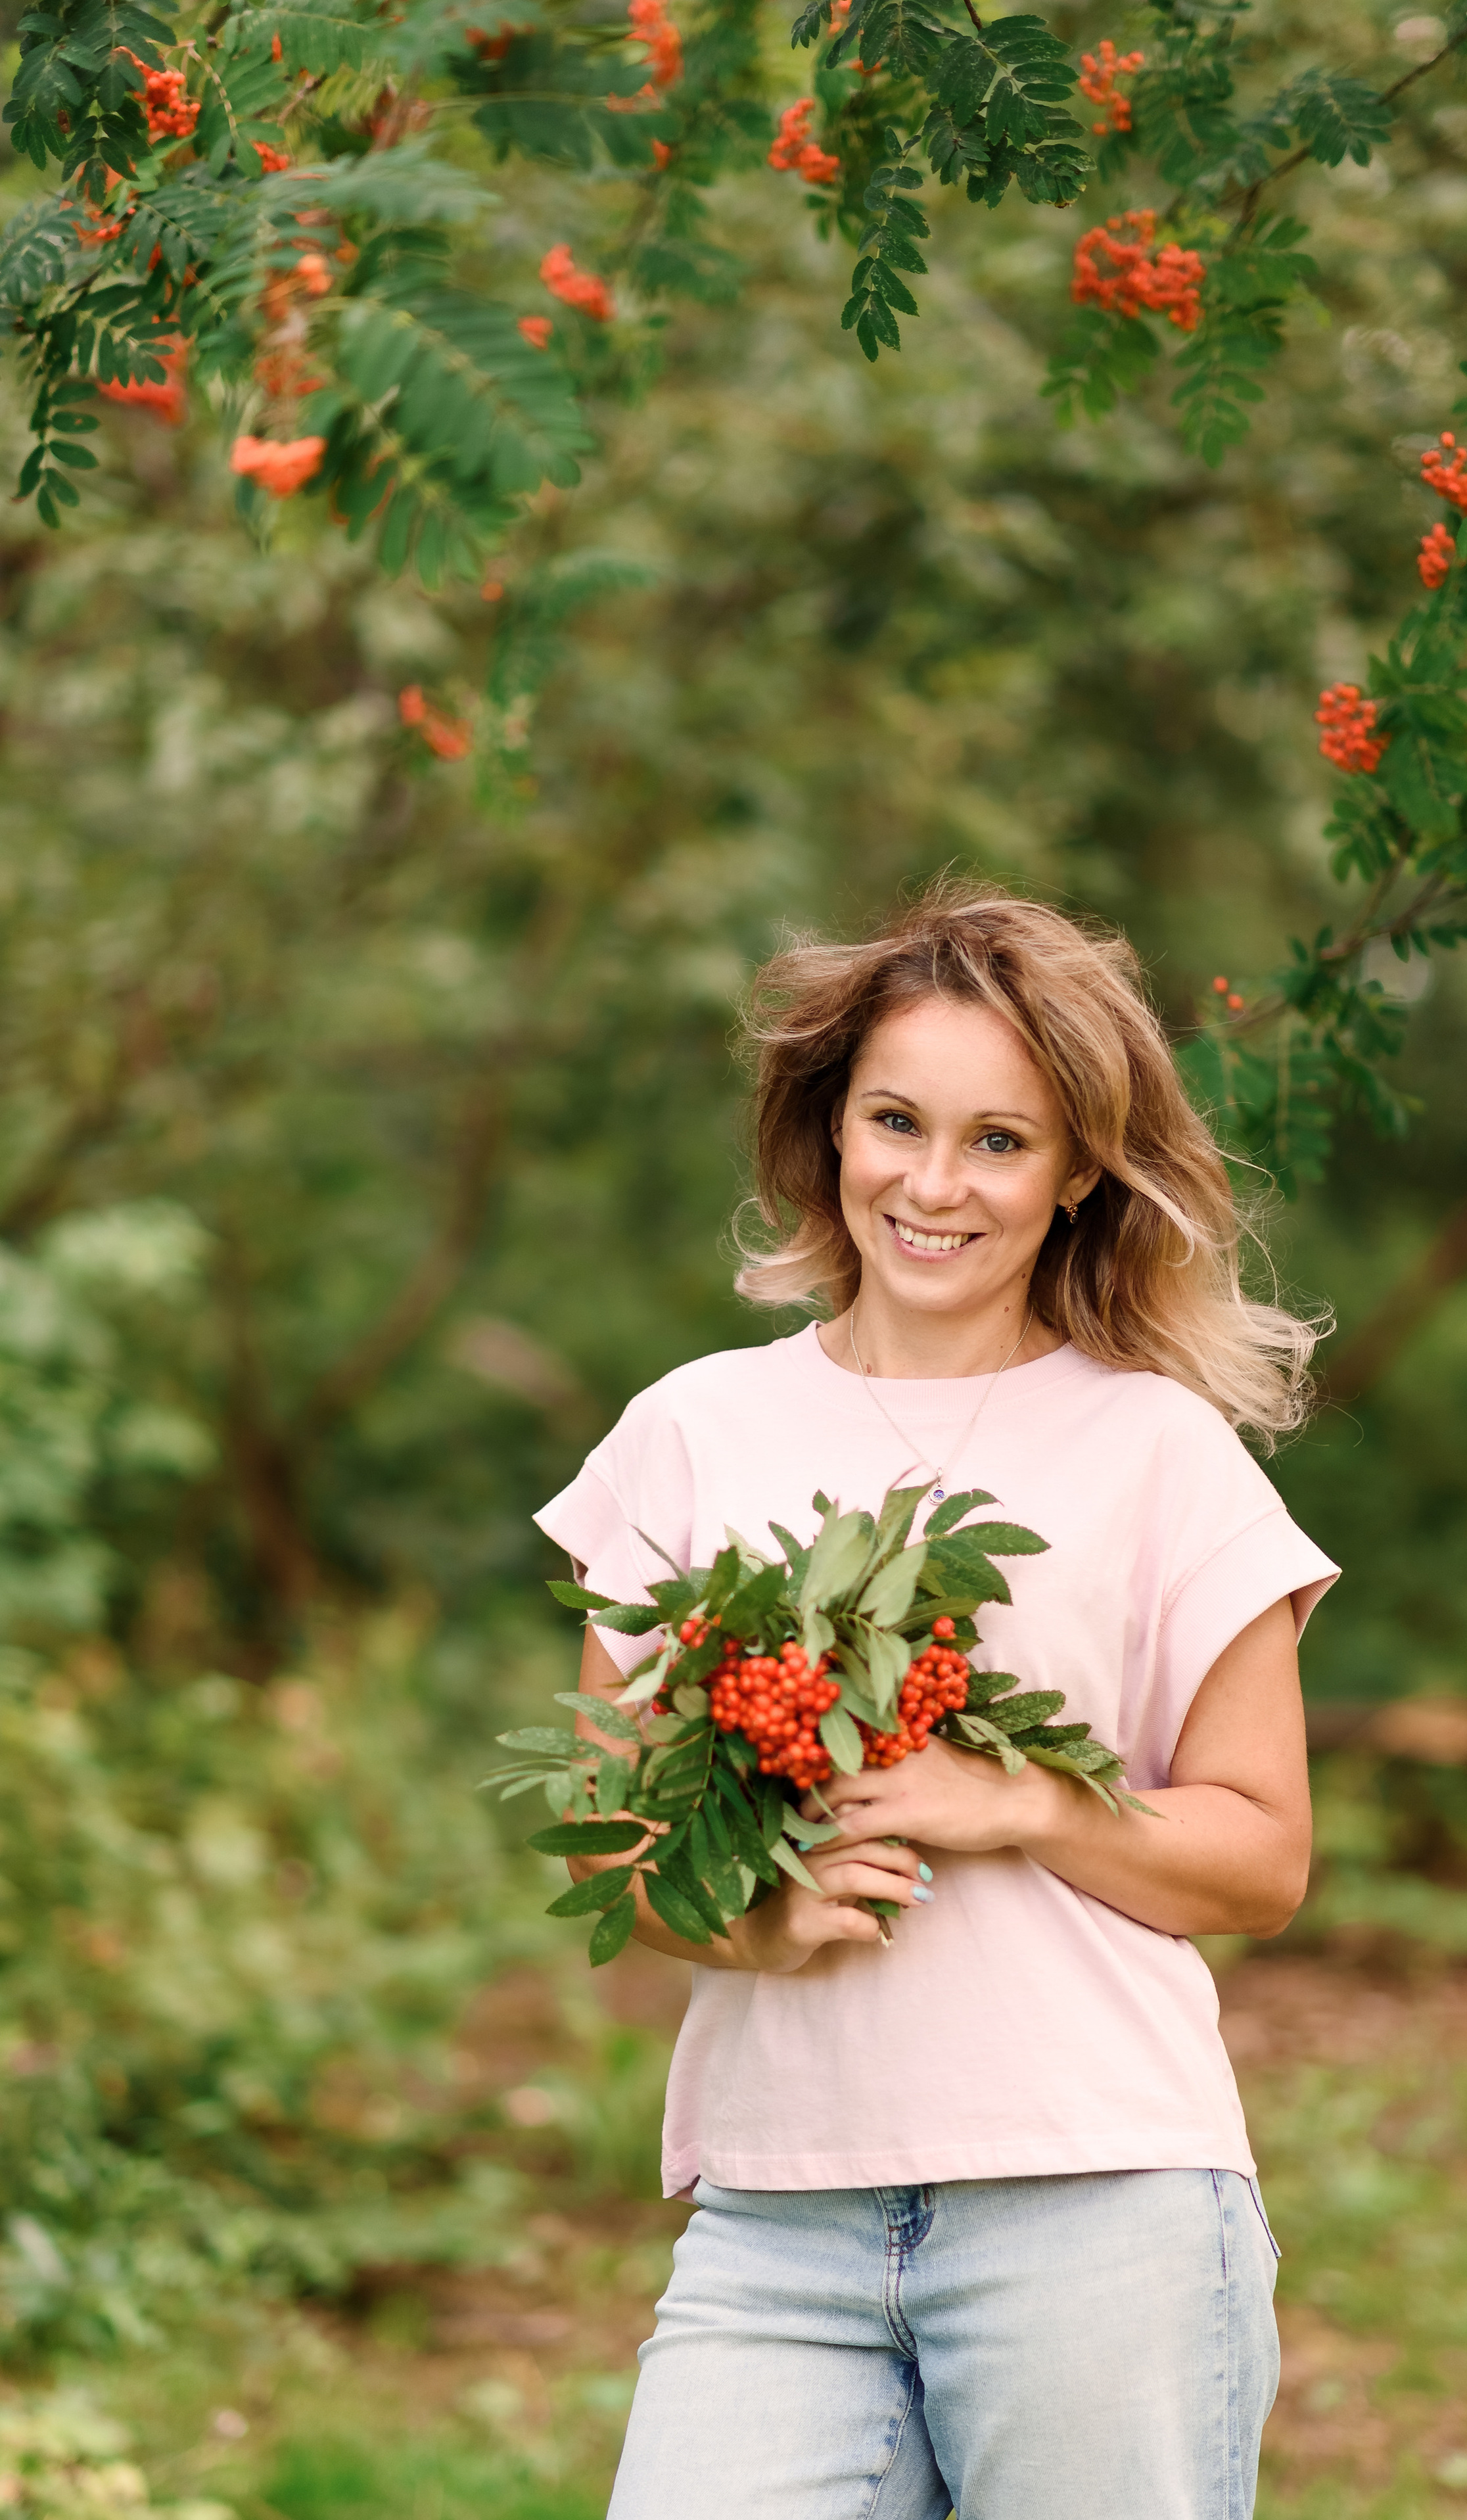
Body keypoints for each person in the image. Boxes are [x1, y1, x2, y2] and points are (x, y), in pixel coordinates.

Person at [534, 884, 1338, 2520]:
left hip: (1095, 2205)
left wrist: (1028, 1801)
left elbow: (1260, 1860)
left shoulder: (1158, 1450)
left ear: (1075, 1174)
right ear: (828, 1126)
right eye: (895, 1120)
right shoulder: (692, 1433)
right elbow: (601, 1841)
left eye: (998, 1141)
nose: (931, 1182)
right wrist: (748, 1926)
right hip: (776, 2224)